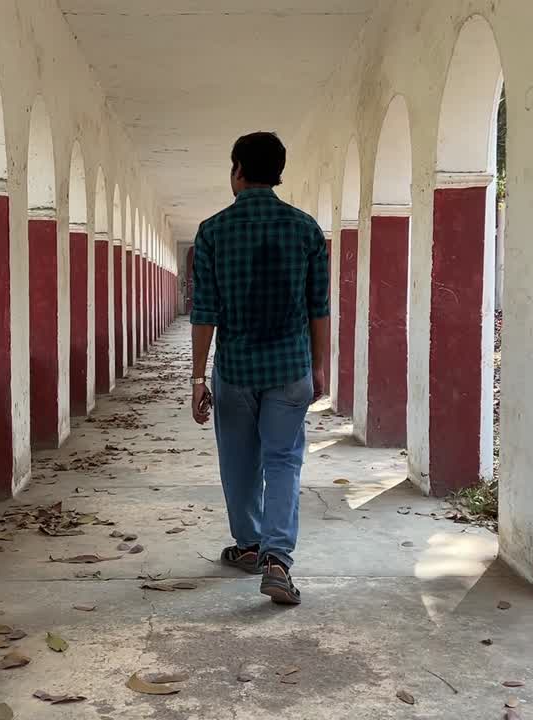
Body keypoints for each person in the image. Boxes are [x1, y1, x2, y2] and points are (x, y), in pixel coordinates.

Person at [189, 131, 330, 606]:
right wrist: (322, 366)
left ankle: (248, 546)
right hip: (291, 365)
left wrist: (195, 377)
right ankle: (276, 560)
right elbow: (319, 308)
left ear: (238, 171)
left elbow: (204, 311)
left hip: (235, 368)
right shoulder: (306, 229)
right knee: (284, 460)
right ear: (279, 174)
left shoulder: (212, 231)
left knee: (238, 459)